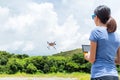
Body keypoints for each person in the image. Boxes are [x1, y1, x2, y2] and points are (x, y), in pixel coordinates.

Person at [84, 5, 120, 80]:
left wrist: (87, 56)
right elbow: (119, 60)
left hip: (99, 75)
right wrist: (108, 58)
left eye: (93, 16)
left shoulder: (96, 31)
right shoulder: (117, 35)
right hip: (114, 76)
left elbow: (92, 59)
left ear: (96, 17)